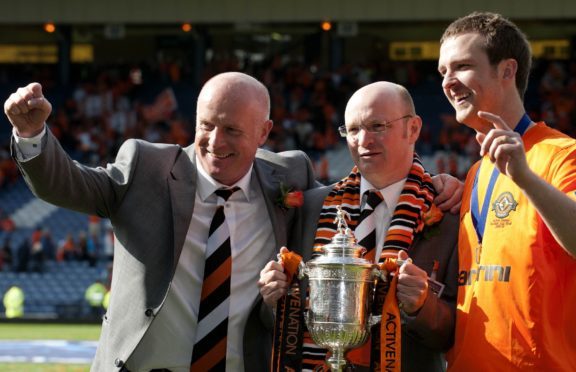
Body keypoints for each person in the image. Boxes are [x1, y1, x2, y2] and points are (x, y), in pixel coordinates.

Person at [4, 72, 318, 371]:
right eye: (205, 126)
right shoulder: (148, 169)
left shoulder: (291, 175)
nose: (215, 142)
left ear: (264, 131)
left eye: (232, 130)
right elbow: (68, 184)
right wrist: (32, 135)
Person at [437, 12, 576, 370]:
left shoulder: (561, 154)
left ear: (507, 71)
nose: (449, 82)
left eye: (462, 66)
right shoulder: (475, 172)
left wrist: (527, 179)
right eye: (443, 71)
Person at [259, 81, 460, 371]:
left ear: (413, 129)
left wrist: (421, 305)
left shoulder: (451, 213)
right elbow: (278, 321)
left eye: (377, 126)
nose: (363, 140)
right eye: (352, 129)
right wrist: (273, 299)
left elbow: (456, 330)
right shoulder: (314, 206)